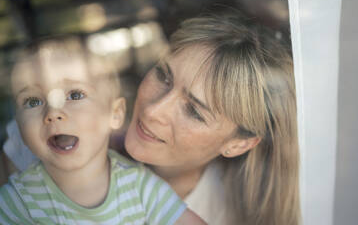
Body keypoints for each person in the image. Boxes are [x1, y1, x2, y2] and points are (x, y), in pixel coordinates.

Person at [2, 12, 300, 225]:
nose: (153, 110)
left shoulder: (221, 213)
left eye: (194, 110)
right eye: (163, 75)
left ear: (239, 144)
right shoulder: (40, 133)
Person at [0, 38, 206, 225]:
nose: (53, 113)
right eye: (33, 101)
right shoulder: (19, 201)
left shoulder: (138, 187)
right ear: (18, 125)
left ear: (115, 114)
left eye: (75, 95)